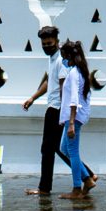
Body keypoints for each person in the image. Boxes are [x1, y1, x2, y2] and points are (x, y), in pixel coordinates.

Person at [19, 24, 67, 196]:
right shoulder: (53, 58)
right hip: (53, 107)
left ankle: (45, 188)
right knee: (56, 148)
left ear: (57, 41)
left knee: (50, 149)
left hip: (57, 109)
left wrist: (64, 111)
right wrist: (33, 98)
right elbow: (49, 81)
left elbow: (63, 86)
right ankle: (87, 176)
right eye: (44, 44)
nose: (47, 46)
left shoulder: (61, 59)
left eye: (50, 43)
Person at [56, 39, 100, 198]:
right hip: (74, 116)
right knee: (64, 149)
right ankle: (87, 179)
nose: (63, 60)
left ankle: (76, 188)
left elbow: (74, 99)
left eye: (64, 57)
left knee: (73, 152)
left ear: (69, 56)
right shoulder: (80, 71)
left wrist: (72, 124)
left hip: (73, 117)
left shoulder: (75, 73)